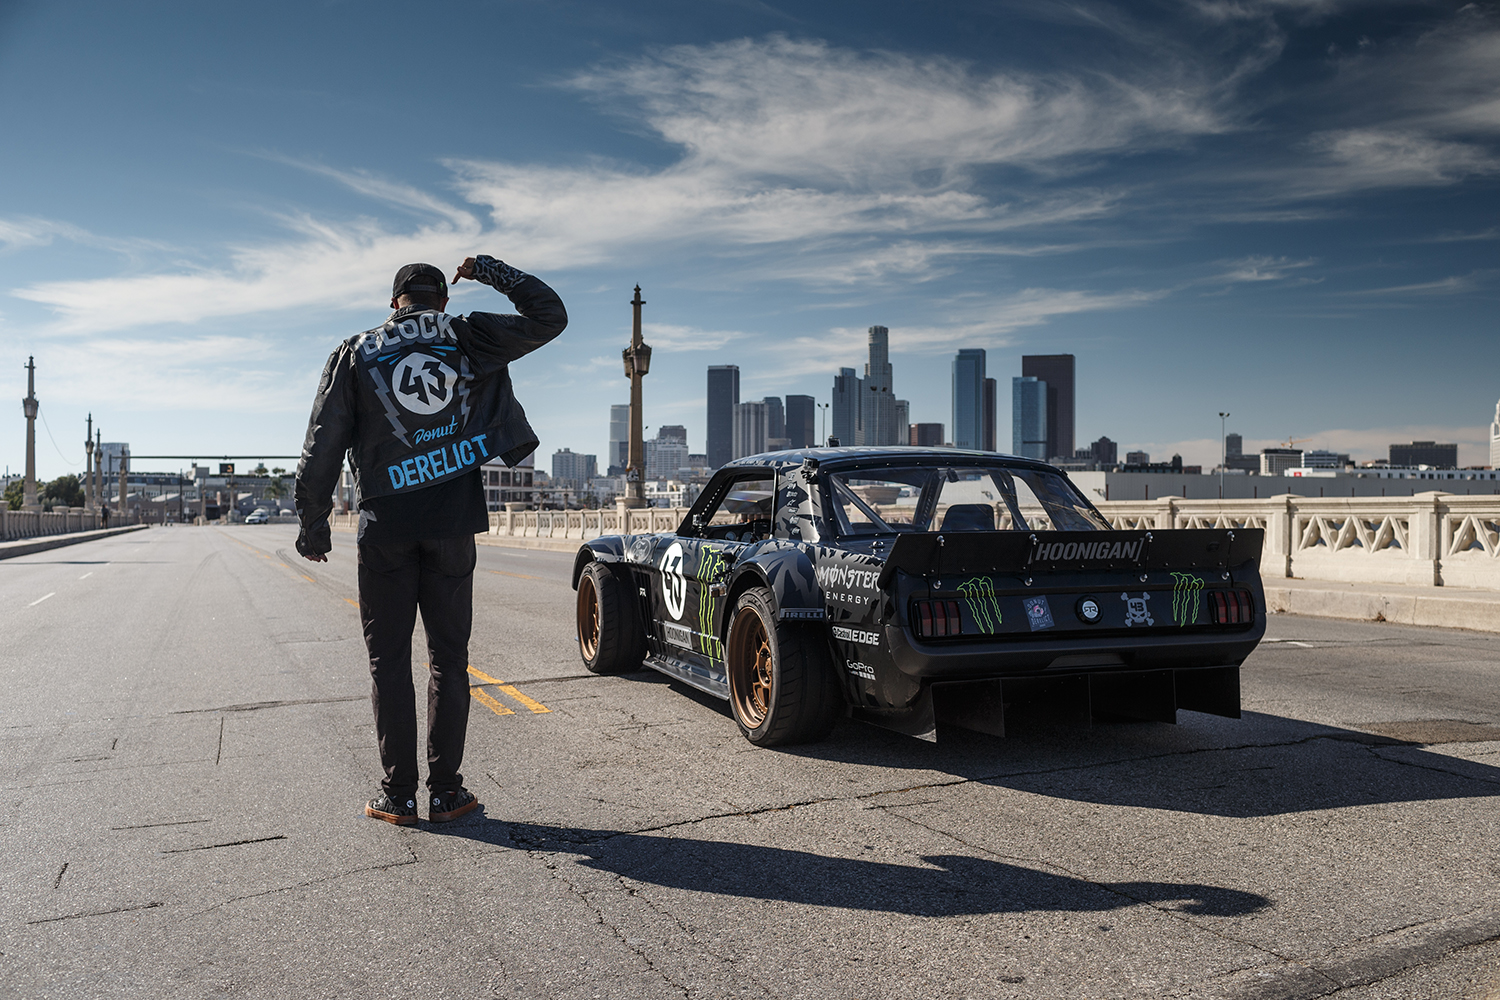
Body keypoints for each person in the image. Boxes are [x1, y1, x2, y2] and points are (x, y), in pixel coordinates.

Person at [294, 255, 566, 825]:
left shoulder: (357, 350)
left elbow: (324, 437)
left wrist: (313, 521)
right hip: (452, 521)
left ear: (395, 303)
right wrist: (489, 269)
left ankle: (398, 795)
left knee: (388, 662)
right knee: (449, 659)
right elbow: (550, 314)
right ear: (442, 301)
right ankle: (446, 792)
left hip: (384, 525)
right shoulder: (468, 335)